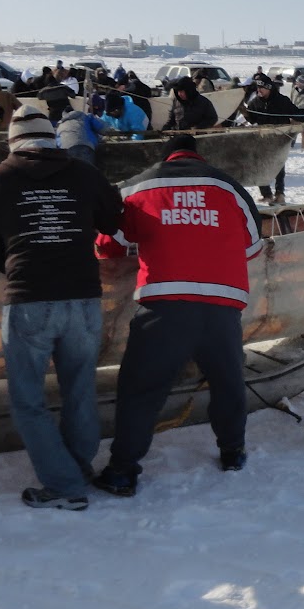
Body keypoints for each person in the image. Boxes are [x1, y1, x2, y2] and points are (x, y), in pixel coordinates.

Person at [90, 133, 266, 496]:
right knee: (228, 380)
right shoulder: (231, 189)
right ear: (197, 157)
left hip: (164, 304)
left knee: (142, 388)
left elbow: (107, 246)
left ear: (165, 158)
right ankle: (232, 451)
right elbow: (252, 248)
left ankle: (122, 471)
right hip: (223, 304)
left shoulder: (138, 188)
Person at [0, 106, 123, 510]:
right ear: (52, 138)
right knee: (79, 390)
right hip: (84, 297)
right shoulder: (84, 174)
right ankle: (77, 468)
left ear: (12, 141)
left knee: (28, 400)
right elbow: (113, 219)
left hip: (28, 298)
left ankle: (63, 484)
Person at [242, 77, 304, 201]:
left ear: (268, 88)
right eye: (258, 87)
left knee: (278, 166)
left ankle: (280, 193)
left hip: (279, 139)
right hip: (262, 139)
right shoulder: (255, 102)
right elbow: (252, 119)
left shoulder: (282, 101)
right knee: (259, 166)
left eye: (261, 88)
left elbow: (295, 113)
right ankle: (266, 194)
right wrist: (245, 113)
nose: (259, 90)